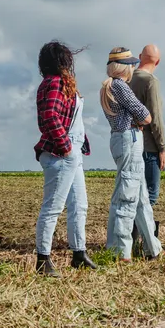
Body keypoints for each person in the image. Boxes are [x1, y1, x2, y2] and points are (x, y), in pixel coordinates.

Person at [33, 40, 97, 277]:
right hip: (62, 154)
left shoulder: (55, 82)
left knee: (79, 204)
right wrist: (66, 147)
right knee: (53, 207)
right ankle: (43, 260)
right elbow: (50, 116)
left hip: (71, 153)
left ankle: (79, 253)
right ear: (63, 61)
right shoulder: (56, 83)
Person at [101, 47, 163, 262]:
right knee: (127, 196)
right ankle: (120, 251)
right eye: (131, 63)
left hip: (121, 138)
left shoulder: (110, 86)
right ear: (123, 67)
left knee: (140, 198)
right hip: (130, 139)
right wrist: (140, 119)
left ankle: (152, 248)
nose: (134, 66)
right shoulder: (120, 87)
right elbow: (146, 116)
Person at [128, 45, 165, 221]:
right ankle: (142, 238)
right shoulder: (151, 81)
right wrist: (162, 148)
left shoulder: (126, 79)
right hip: (149, 146)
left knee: (133, 193)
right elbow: (156, 117)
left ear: (139, 57)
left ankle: (130, 236)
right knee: (150, 195)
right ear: (158, 62)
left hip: (129, 143)